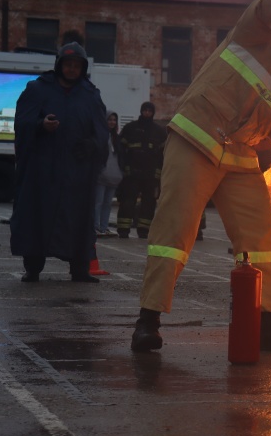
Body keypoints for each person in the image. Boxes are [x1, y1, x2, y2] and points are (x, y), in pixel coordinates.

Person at [130, 0, 271, 352]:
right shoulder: (261, 35)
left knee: (264, 240)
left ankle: (269, 324)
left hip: (239, 154)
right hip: (197, 135)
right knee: (175, 229)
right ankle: (148, 320)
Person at [10, 42, 108, 283]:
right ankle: (33, 268)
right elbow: (22, 122)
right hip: (42, 171)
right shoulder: (38, 89)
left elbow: (101, 131)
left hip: (77, 171)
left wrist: (92, 145)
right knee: (36, 216)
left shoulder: (90, 95)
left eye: (76, 65)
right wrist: (40, 125)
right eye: (68, 64)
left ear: (82, 68)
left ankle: (80, 269)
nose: (72, 69)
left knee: (79, 218)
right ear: (59, 65)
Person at [115, 102, 166, 239]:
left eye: (149, 111)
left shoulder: (159, 131)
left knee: (149, 203)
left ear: (153, 113)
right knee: (127, 201)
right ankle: (123, 229)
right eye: (145, 110)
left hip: (151, 174)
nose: (147, 113)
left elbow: (164, 154)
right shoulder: (130, 128)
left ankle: (144, 230)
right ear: (141, 111)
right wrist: (125, 167)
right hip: (132, 172)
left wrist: (158, 172)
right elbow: (121, 150)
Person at [94, 111, 123, 236]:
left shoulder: (117, 138)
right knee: (98, 202)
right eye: (109, 119)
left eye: (114, 120)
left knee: (108, 203)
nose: (112, 122)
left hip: (114, 176)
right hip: (101, 175)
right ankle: (95, 226)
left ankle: (104, 227)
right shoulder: (100, 136)